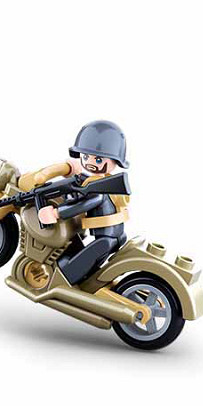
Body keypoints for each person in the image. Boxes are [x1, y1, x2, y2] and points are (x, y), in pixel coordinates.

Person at [35, 120, 130, 285]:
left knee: (67, 272)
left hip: (104, 239)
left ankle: (62, 286)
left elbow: (85, 203)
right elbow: (82, 189)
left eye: (98, 160)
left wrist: (56, 213)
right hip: (116, 236)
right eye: (85, 157)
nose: (91, 162)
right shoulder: (107, 182)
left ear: (116, 162)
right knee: (90, 268)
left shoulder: (99, 188)